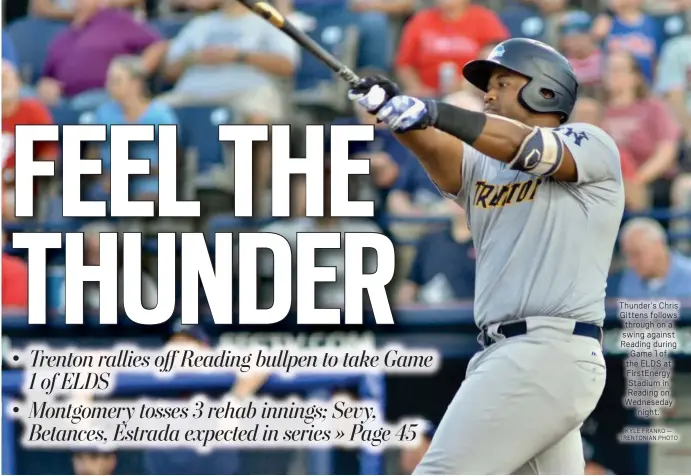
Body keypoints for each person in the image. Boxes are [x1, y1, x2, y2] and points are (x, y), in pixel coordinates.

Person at [349, 37, 623, 473]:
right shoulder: (483, 161)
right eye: (487, 86)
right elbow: (439, 149)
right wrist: (396, 112)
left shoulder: (590, 143)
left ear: (545, 90)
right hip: (510, 355)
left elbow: (525, 147)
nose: (488, 94)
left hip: (546, 351)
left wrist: (433, 110)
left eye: (501, 82)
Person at [617, 217, 691, 299]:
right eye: (627, 256)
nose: (631, 262)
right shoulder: (629, 281)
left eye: (637, 253)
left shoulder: (688, 276)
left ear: (658, 245)